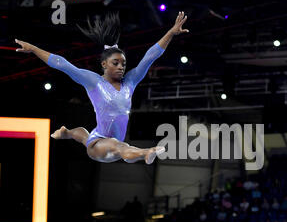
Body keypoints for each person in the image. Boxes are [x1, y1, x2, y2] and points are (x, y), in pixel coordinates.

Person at [15, 11, 189, 164]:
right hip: (98, 145)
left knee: (86, 135)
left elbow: (150, 56)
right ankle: (145, 152)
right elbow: (63, 64)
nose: (121, 67)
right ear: (104, 64)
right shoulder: (94, 82)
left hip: (107, 143)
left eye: (123, 63)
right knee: (118, 146)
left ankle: (67, 132)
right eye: (116, 63)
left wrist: (171, 33)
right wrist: (33, 49)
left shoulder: (130, 82)